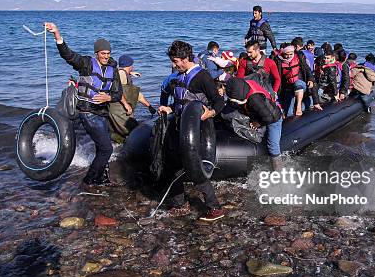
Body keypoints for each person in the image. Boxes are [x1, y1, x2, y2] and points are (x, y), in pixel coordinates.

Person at [45, 22, 122, 191]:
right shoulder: (86, 64)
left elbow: (118, 94)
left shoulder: (112, 69)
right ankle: (90, 180)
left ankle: (103, 178)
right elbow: (68, 55)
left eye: (108, 53)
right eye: (103, 53)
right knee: (107, 149)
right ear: (96, 53)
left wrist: (108, 97)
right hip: (88, 112)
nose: (106, 56)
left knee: (101, 147)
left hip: (103, 113)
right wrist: (57, 34)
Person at [157, 40, 226, 222]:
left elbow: (219, 102)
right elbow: (182, 102)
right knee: (174, 165)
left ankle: (215, 208)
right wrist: (169, 108)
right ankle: (179, 204)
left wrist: (209, 113)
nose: (174, 64)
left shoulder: (202, 76)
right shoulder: (179, 76)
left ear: (186, 58)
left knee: (194, 167)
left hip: (199, 129)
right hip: (180, 126)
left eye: (176, 61)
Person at [225, 77, 283, 171]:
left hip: (274, 118)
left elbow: (269, 118)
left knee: (273, 145)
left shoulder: (254, 99)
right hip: (260, 113)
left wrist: (257, 123)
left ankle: (278, 170)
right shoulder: (246, 84)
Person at [108, 55, 157, 143]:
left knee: (117, 134)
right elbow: (119, 91)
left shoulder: (119, 72)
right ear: (130, 65)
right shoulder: (122, 74)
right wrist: (127, 105)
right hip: (120, 111)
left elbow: (137, 95)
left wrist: (149, 106)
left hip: (114, 110)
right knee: (134, 132)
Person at [275, 44, 319, 117]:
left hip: (301, 85)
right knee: (288, 113)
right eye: (287, 54)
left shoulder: (299, 57)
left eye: (291, 54)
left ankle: (299, 108)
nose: (289, 56)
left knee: (298, 84)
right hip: (288, 88)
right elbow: (278, 78)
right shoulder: (279, 61)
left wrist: (310, 79)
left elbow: (307, 70)